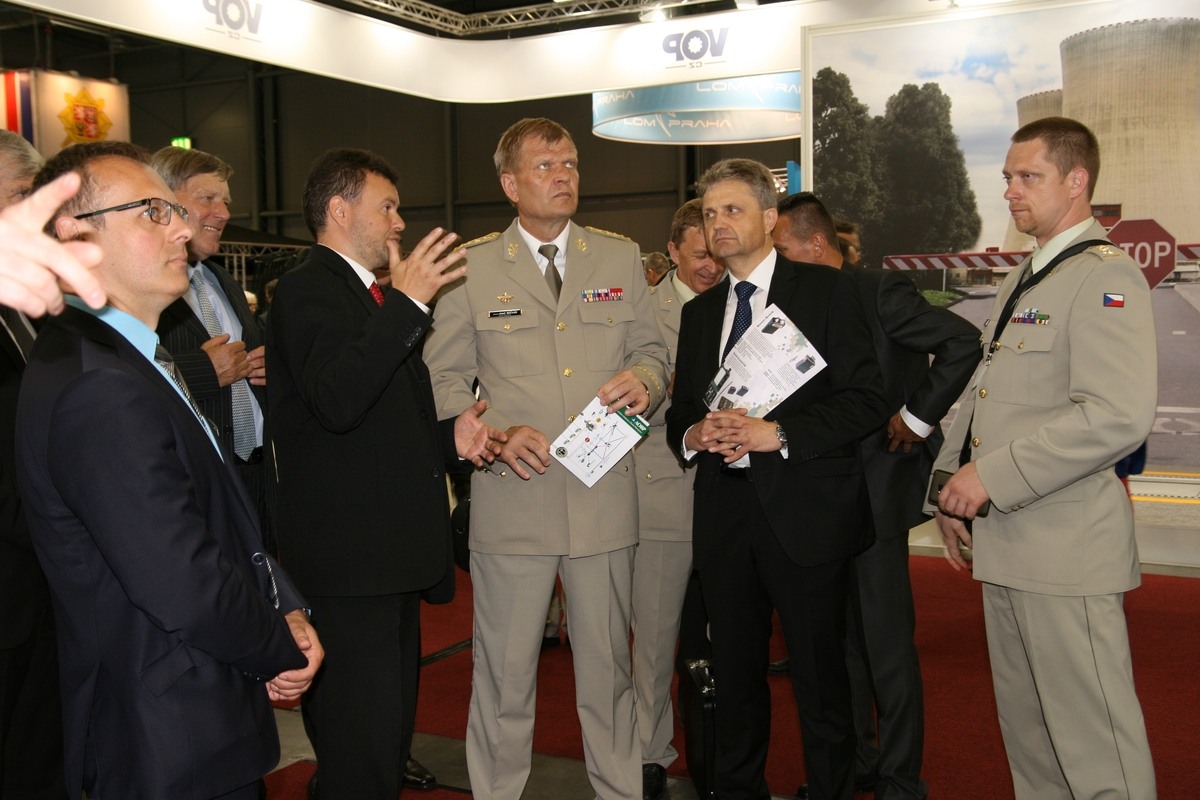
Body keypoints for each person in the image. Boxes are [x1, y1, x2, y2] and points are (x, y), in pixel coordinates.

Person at [16, 140, 322, 800]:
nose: (182, 227)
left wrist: (285, 604)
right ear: (75, 236)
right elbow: (180, 579)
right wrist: (276, 641)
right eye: (152, 212)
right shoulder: (97, 386)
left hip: (189, 715)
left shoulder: (130, 359)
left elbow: (217, 519)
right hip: (163, 736)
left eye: (174, 211)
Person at [423, 117, 669, 800]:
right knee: (503, 679)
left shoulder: (617, 257)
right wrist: (494, 433)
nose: (564, 176)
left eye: (571, 164)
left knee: (609, 676)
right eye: (546, 166)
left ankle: (619, 792)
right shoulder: (471, 268)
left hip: (603, 502)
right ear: (510, 184)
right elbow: (442, 380)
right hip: (513, 499)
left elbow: (652, 353)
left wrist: (646, 381)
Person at [932, 116, 1157, 800]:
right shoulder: (1026, 277)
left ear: (1076, 180)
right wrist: (949, 484)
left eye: (1028, 177)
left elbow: (1116, 415)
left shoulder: (1105, 276)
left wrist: (990, 477)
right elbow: (988, 392)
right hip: (1009, 542)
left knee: (1096, 749)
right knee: (1031, 741)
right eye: (1008, 177)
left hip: (1065, 550)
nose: (1011, 191)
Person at [269, 147, 505, 799]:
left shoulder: (370, 298)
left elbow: (376, 425)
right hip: (350, 567)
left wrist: (449, 439)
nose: (400, 223)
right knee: (360, 750)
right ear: (340, 210)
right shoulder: (309, 289)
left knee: (383, 742)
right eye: (388, 207)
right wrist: (408, 304)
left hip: (384, 562)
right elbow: (337, 399)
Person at [665, 158, 888, 800]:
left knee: (821, 680)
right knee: (735, 679)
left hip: (807, 512)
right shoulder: (701, 313)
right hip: (725, 514)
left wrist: (779, 433)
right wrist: (693, 434)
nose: (718, 223)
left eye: (732, 210)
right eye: (709, 213)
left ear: (769, 218)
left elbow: (867, 399)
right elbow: (682, 411)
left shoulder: (826, 291)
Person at [774, 192, 980, 800]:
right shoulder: (786, 305)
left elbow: (962, 343)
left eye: (781, 249)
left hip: (876, 491)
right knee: (839, 642)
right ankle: (859, 760)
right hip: (816, 495)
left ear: (816, 244)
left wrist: (916, 417)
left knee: (885, 643)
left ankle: (899, 777)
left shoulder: (880, 291)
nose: (774, 262)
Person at [633, 198, 725, 800]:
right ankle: (650, 754)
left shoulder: (744, 305)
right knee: (654, 639)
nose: (711, 266)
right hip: (664, 499)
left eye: (718, 254)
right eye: (699, 255)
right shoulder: (642, 314)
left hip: (737, 498)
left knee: (727, 638)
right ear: (671, 252)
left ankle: (721, 753)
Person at [151, 146, 276, 554]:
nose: (222, 213)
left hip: (257, 475)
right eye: (207, 198)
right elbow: (124, 376)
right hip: (195, 484)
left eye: (225, 201)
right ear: (162, 201)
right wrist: (203, 371)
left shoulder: (222, 281)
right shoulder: (143, 286)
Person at [0, 130, 67, 800]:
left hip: (43, 575)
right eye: (21, 195)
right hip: (14, 568)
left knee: (39, 753)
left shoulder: (29, 303)